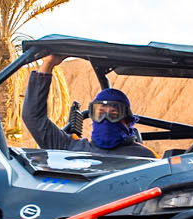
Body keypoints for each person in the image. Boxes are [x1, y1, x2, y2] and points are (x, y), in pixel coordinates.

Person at [22, 55, 156, 157]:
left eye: (114, 114)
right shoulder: (71, 148)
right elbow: (33, 117)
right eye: (100, 112)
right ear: (92, 116)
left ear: (127, 120)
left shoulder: (144, 157)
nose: (105, 118)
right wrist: (48, 63)